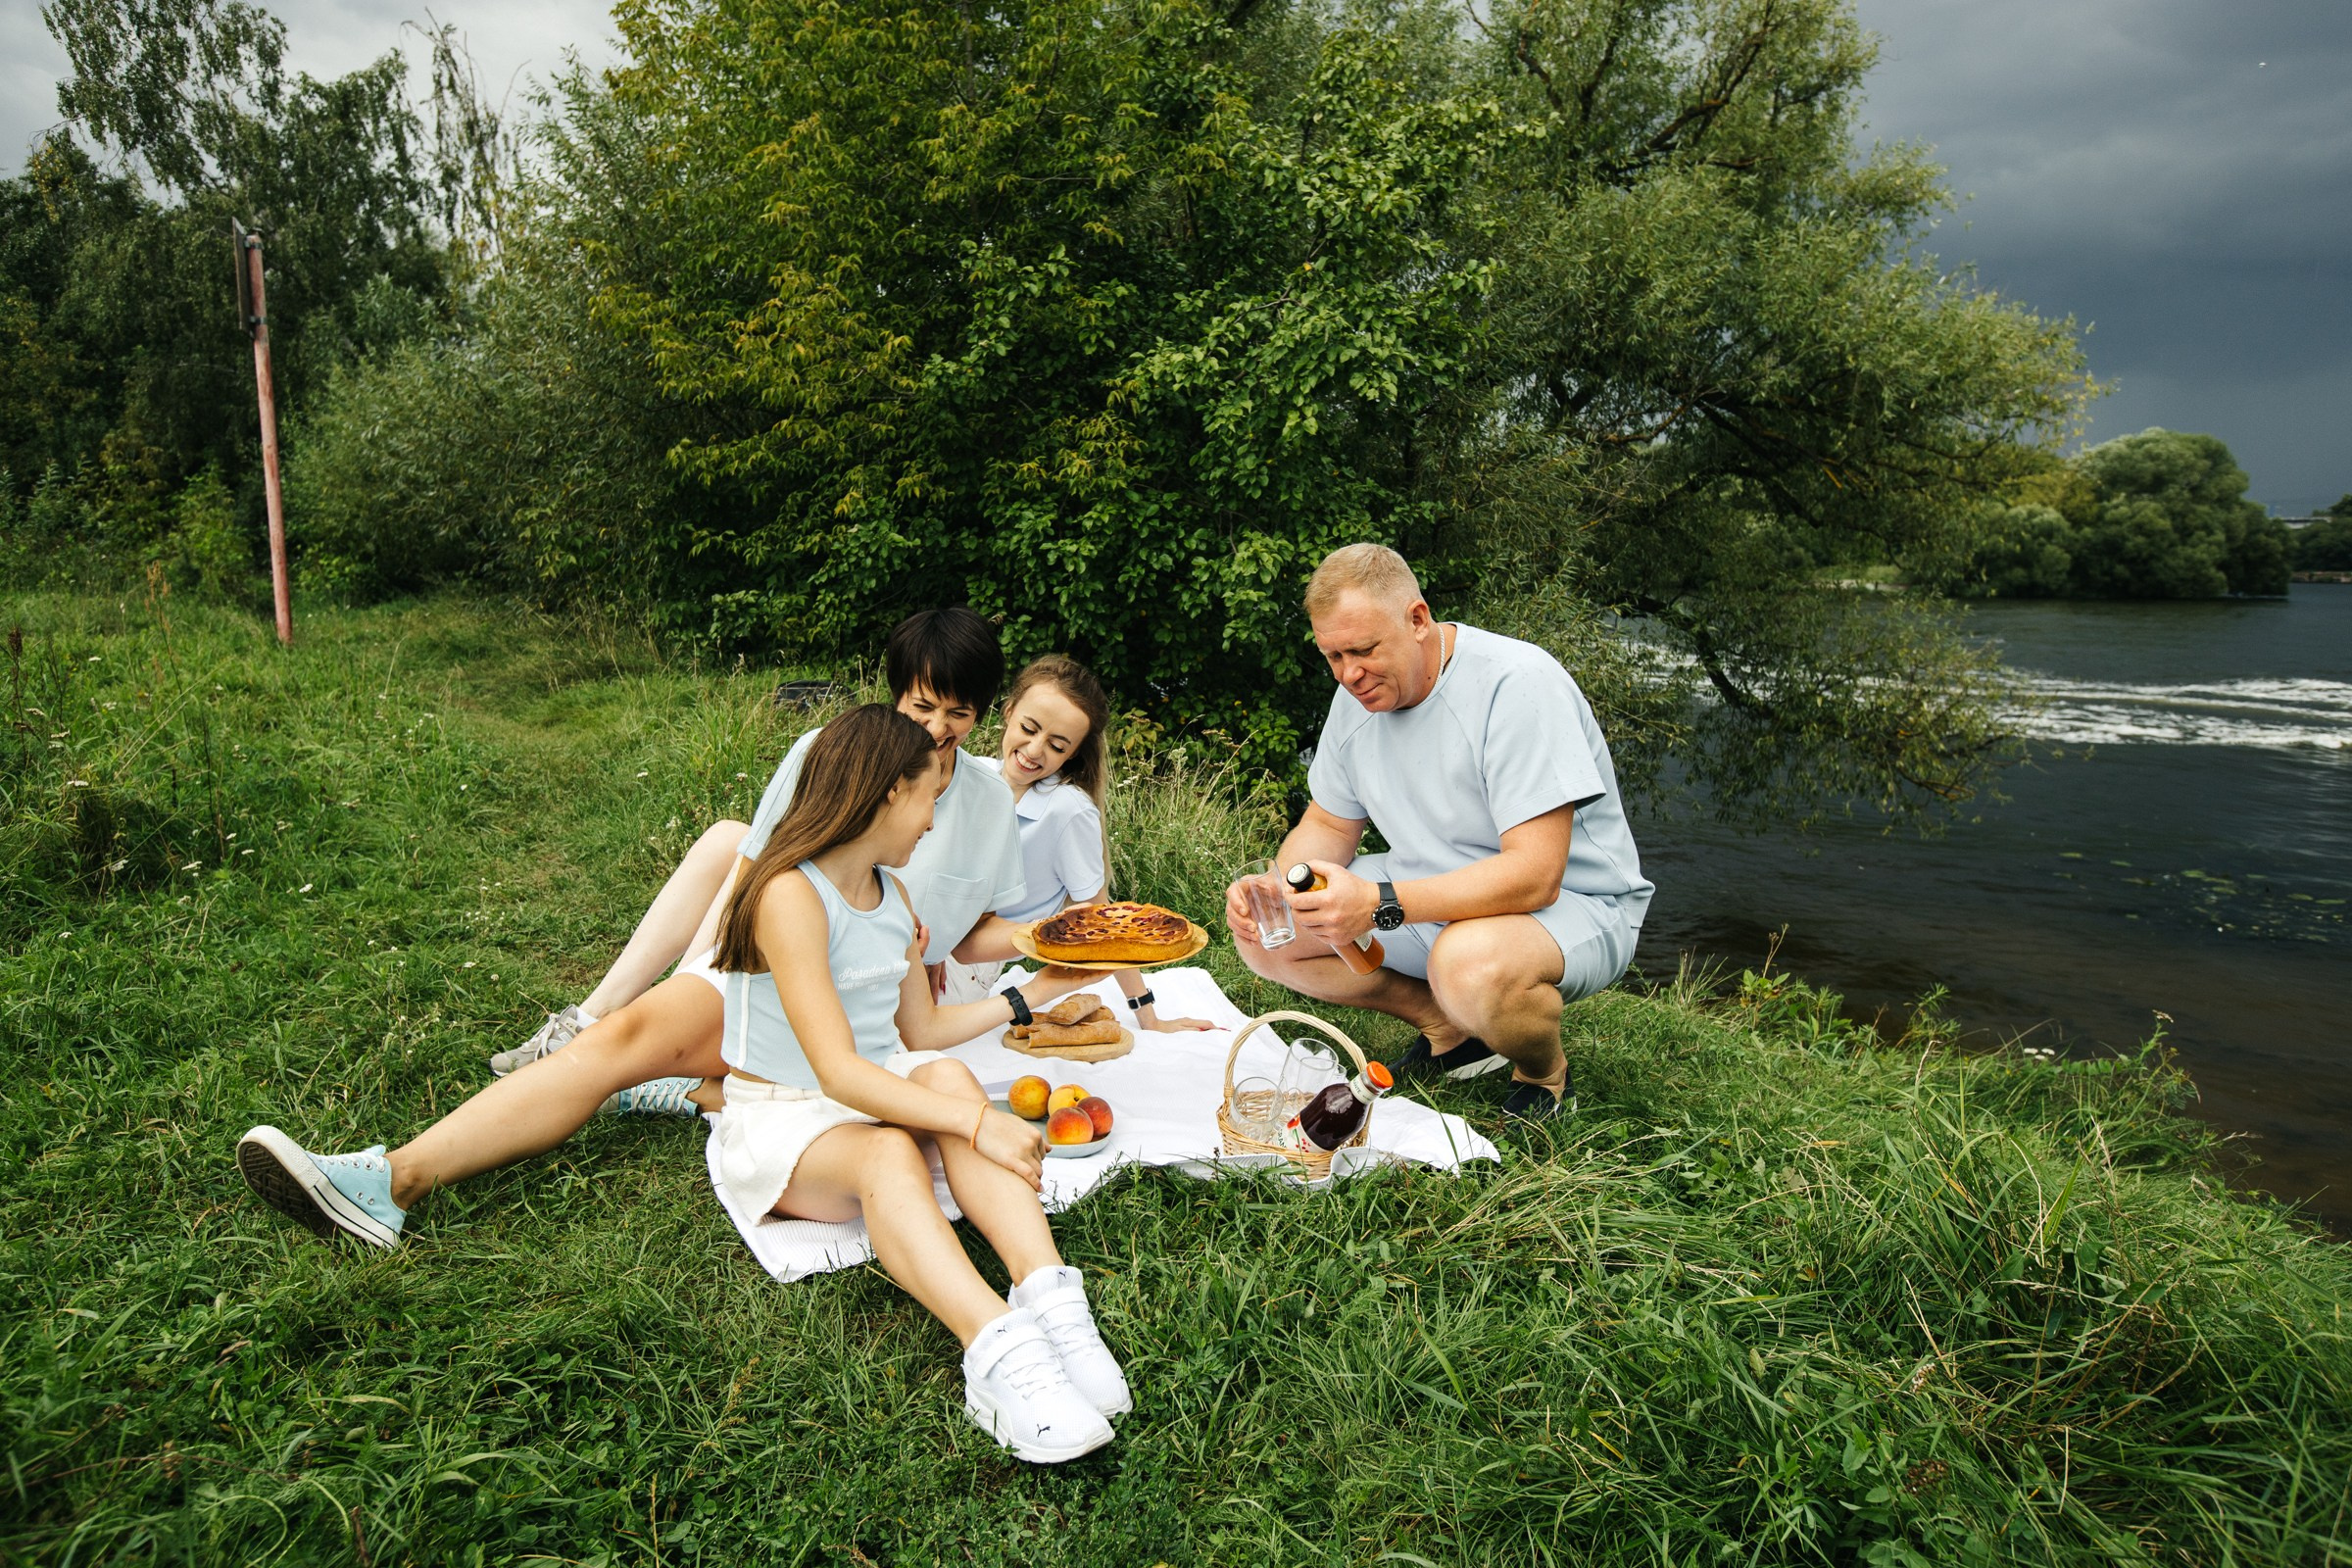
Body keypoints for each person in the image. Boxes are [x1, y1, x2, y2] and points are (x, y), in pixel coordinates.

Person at [238, 710, 1126, 1462]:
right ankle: (997, 1352)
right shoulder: (789, 894)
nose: (938, 818)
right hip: (794, 1112)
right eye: (929, 795)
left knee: (946, 1071)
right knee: (900, 1145)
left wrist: (1029, 994)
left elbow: (918, 1034)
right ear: (888, 790)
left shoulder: (894, 899)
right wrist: (973, 1128)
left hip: (870, 1080)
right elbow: (835, 1071)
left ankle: (1051, 1297)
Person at [488, 608, 1030, 1118]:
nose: (938, 728)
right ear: (896, 698)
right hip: (800, 963)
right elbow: (758, 876)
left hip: (886, 993)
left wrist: (1051, 939)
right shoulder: (828, 754)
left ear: (980, 715)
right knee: (729, 848)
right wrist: (701, 975)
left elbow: (972, 935)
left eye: (957, 714)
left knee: (695, 1050)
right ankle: (601, 1024)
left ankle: (686, 1083)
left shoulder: (988, 800)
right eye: (922, 707)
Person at [1221, 544, 1652, 1119]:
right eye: (1333, 656)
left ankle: (1542, 1072)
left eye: (1365, 650)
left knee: (1466, 964)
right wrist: (1275, 890)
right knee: (1270, 939)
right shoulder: (1357, 696)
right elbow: (1328, 822)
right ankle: (1449, 1030)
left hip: (1576, 905)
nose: (1350, 675)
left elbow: (1536, 875)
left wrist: (1377, 905)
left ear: (1418, 619)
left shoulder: (1518, 684)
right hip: (1432, 886)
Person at [942, 654, 1214, 1032]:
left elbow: (1102, 918)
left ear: (1072, 753)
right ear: (1008, 711)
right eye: (1029, 727)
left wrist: (1147, 1014)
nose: (1035, 750)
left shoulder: (1067, 811)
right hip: (925, 943)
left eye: (1056, 745)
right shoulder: (972, 773)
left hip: (964, 968)